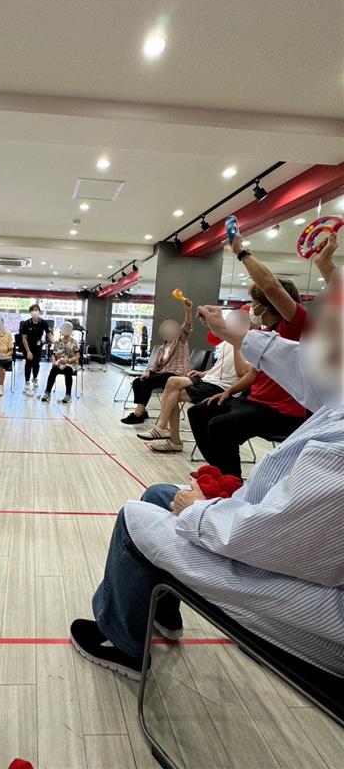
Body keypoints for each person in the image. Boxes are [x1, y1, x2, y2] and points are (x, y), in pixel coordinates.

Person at [70, 290, 343, 682]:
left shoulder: (337, 452)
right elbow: (309, 373)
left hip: (304, 606)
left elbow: (272, 540)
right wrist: (234, 334)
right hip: (274, 542)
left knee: (134, 517)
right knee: (158, 494)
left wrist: (199, 510)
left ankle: (122, 644)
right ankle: (164, 609)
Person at [188, 240, 309, 477]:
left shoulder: (295, 326)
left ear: (267, 306)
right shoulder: (264, 333)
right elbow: (254, 373)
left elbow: (271, 285)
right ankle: (220, 473)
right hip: (254, 402)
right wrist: (228, 392)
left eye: (255, 304)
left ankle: (231, 484)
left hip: (282, 412)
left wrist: (241, 252)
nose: (252, 308)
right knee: (199, 413)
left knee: (221, 426)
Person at [137, 308, 252, 452]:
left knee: (172, 393)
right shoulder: (227, 342)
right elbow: (223, 368)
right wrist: (203, 373)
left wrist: (188, 311)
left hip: (222, 387)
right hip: (210, 379)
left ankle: (170, 437)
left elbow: (245, 373)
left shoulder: (248, 343)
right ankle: (163, 429)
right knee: (172, 383)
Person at [121, 297, 193, 424]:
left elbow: (187, 325)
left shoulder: (180, 340)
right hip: (164, 374)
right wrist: (148, 372)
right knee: (138, 381)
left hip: (177, 374)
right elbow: (155, 365)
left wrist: (188, 311)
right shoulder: (162, 348)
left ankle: (137, 414)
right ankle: (143, 411)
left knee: (149, 382)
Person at [41, 320, 80, 403]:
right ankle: (47, 392)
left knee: (68, 370)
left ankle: (68, 395)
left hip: (70, 364)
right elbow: (53, 354)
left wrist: (68, 360)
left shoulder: (75, 342)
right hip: (59, 363)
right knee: (53, 370)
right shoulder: (57, 342)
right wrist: (54, 362)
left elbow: (77, 357)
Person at [20, 304, 53, 396]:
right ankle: (27, 382)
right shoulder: (26, 324)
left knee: (36, 363)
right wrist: (28, 351)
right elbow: (24, 339)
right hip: (27, 346)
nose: (34, 312)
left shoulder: (43, 323)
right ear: (30, 313)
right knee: (29, 363)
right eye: (32, 310)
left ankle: (35, 378)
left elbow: (49, 334)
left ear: (39, 312)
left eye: (36, 310)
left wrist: (56, 343)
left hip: (38, 346)